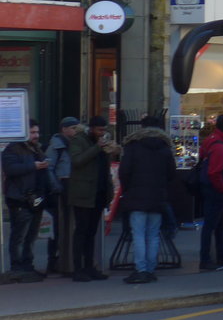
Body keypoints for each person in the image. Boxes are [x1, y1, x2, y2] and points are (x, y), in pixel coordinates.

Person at [118, 116, 176, 284]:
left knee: (139, 234)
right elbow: (171, 173)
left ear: (141, 127)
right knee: (153, 235)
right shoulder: (165, 147)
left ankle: (141, 269)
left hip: (136, 196)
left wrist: (129, 189)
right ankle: (150, 269)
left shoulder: (133, 146)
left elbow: (124, 172)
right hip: (158, 197)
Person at [68, 116, 120, 282]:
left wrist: (112, 151)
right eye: (99, 130)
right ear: (91, 129)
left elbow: (105, 168)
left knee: (91, 233)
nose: (102, 133)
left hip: (98, 193)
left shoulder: (101, 143)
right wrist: (97, 148)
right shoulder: (78, 140)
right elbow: (77, 161)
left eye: (104, 130)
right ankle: (78, 268)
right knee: (81, 231)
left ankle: (90, 267)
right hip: (83, 194)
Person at [2, 123, 51, 282]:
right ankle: (17, 268)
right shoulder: (13, 148)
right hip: (20, 198)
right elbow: (10, 169)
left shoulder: (37, 148)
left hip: (35, 198)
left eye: (37, 132)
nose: (36, 135)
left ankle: (28, 266)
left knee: (31, 235)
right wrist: (33, 166)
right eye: (32, 132)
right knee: (19, 235)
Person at [198, 114, 223, 271]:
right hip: (216, 189)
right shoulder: (220, 146)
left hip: (210, 188)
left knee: (216, 225)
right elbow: (215, 172)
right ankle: (210, 258)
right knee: (215, 225)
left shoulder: (210, 140)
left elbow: (202, 157)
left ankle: (219, 256)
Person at [45, 116, 79, 276]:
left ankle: (65, 260)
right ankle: (53, 261)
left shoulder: (75, 144)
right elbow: (48, 168)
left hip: (71, 188)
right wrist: (56, 187)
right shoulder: (56, 146)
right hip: (60, 189)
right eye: (73, 128)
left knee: (68, 226)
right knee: (58, 228)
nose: (75, 131)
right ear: (64, 129)